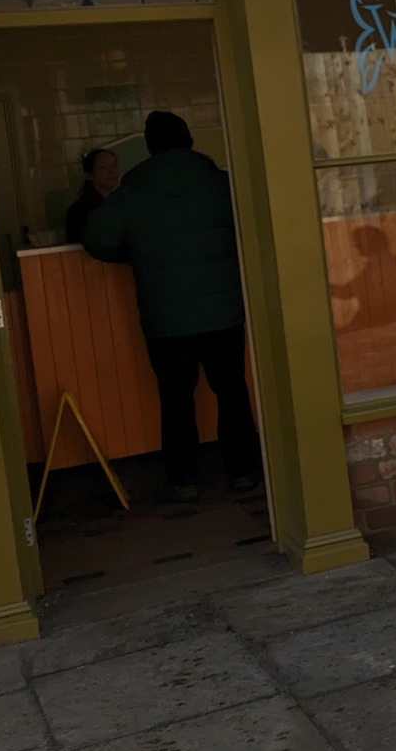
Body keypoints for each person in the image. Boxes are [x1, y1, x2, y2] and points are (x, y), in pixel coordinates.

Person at [82, 111, 262, 503]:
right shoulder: (219, 182)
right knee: (231, 389)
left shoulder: (134, 189)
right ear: (189, 141)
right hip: (223, 313)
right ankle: (244, 470)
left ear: (150, 146)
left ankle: (183, 479)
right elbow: (253, 225)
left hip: (165, 320)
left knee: (176, 398)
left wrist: (135, 252)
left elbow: (96, 238)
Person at [62, 147, 120, 244]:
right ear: (88, 175)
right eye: (103, 167)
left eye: (114, 166)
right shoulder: (78, 211)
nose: (111, 171)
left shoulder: (121, 204)